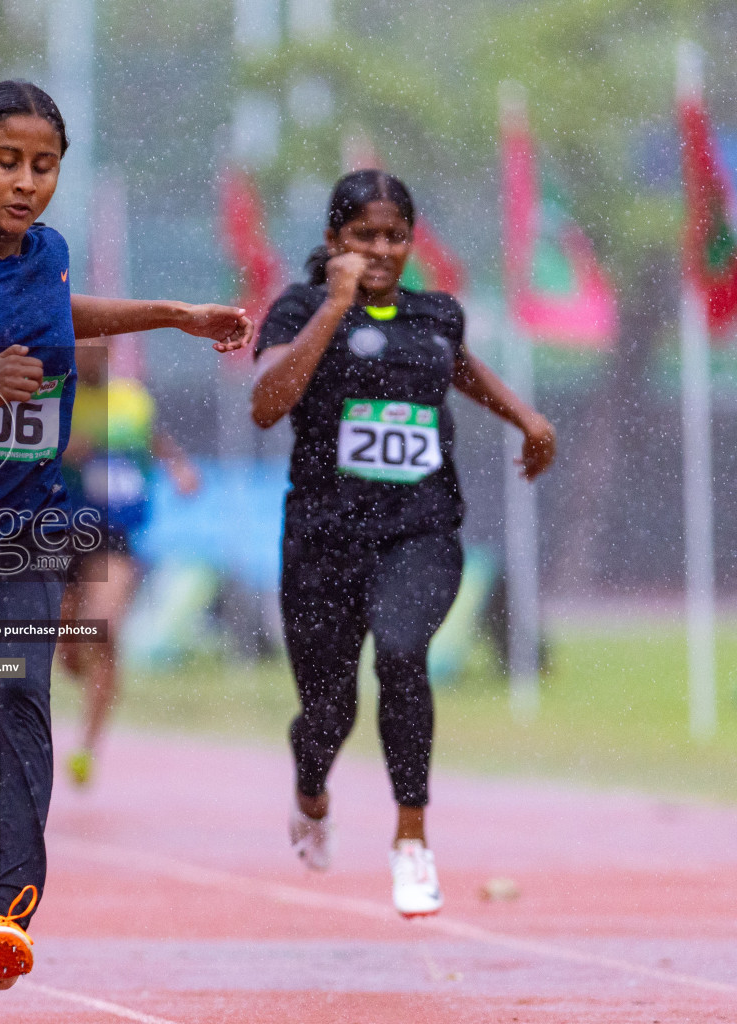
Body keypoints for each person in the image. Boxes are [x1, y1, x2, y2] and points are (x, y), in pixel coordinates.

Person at [0, 80, 251, 989]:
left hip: (19, 529)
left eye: (44, 166)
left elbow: (57, 315)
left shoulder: (50, 255)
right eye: (7, 162)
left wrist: (175, 315)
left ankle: (10, 912)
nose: (27, 183)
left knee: (25, 692)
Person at [249, 170, 555, 918]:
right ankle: (311, 786)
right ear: (335, 241)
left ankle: (411, 840)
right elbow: (266, 402)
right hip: (323, 540)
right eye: (364, 236)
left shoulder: (435, 314)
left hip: (418, 531)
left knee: (400, 652)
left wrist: (528, 418)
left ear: (411, 241)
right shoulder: (298, 308)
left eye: (394, 236)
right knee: (327, 712)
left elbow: (456, 366)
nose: (381, 250)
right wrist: (336, 305)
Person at [57, 348, 200, 787]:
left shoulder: (132, 398)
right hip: (61, 529)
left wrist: (178, 466)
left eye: (102, 345)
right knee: (70, 649)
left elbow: (151, 436)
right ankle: (74, 654)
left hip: (116, 532)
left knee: (103, 627)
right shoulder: (57, 397)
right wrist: (62, 450)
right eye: (84, 343)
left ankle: (87, 746)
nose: (93, 355)